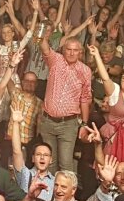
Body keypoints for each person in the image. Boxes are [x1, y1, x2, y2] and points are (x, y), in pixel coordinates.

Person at [38, 36, 92, 174]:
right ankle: (48, 195)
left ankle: (67, 195)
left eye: (75, 50)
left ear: (80, 52)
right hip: (48, 121)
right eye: (69, 49)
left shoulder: (85, 71)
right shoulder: (56, 60)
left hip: (68, 124)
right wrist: (43, 31)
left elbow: (85, 98)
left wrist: (84, 124)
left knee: (66, 163)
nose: (72, 53)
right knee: (49, 163)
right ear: (63, 50)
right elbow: (44, 47)